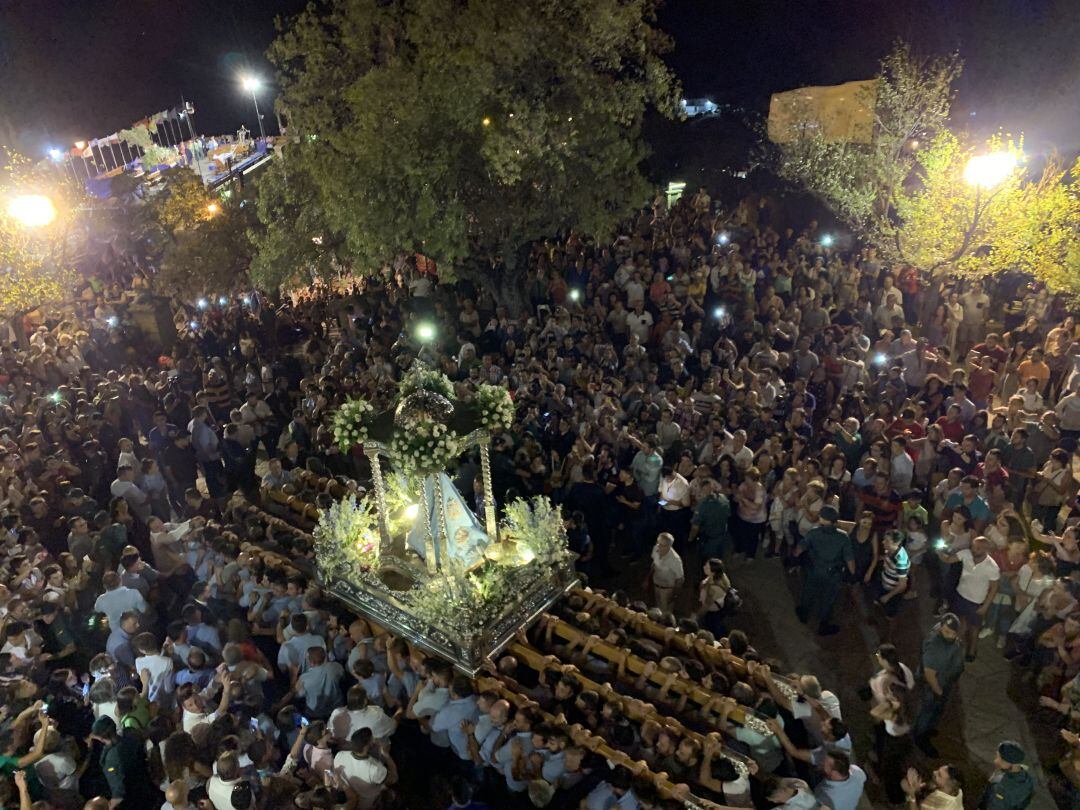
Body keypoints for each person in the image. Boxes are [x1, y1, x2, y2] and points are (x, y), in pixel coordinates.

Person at [937, 536, 1001, 661]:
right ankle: (954, 647)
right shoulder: (966, 554)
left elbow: (994, 588)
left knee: (974, 627)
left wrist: (985, 607)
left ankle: (972, 650)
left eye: (977, 548)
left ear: (985, 550)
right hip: (960, 595)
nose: (973, 549)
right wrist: (939, 552)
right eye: (973, 546)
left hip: (976, 601)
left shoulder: (992, 567)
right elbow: (949, 559)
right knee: (959, 622)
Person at [795, 506, 855, 636]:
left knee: (809, 591)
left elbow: (800, 548)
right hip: (833, 574)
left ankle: (804, 614)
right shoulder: (843, 537)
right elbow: (849, 559)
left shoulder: (814, 532)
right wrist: (852, 573)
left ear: (823, 519)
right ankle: (823, 625)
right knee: (828, 599)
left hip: (815, 569)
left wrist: (795, 556)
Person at [913, 614, 965, 756]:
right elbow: (929, 673)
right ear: (941, 628)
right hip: (934, 685)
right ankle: (920, 736)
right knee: (928, 710)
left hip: (944, 681)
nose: (951, 636)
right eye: (947, 632)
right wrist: (938, 691)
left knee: (937, 709)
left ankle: (930, 728)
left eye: (954, 633)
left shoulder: (947, 636)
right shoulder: (936, 647)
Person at [980, 740, 1035, 810]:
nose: (995, 761)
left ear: (1009, 762)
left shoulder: (1000, 788)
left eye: (999, 758)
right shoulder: (1028, 780)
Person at [646, 532, 683, 614]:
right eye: (658, 543)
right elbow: (654, 564)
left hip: (667, 590)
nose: (658, 547)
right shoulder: (656, 548)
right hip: (656, 584)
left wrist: (674, 595)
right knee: (658, 607)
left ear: (669, 546)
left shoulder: (675, 560)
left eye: (662, 545)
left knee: (666, 611)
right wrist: (647, 579)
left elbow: (680, 579)